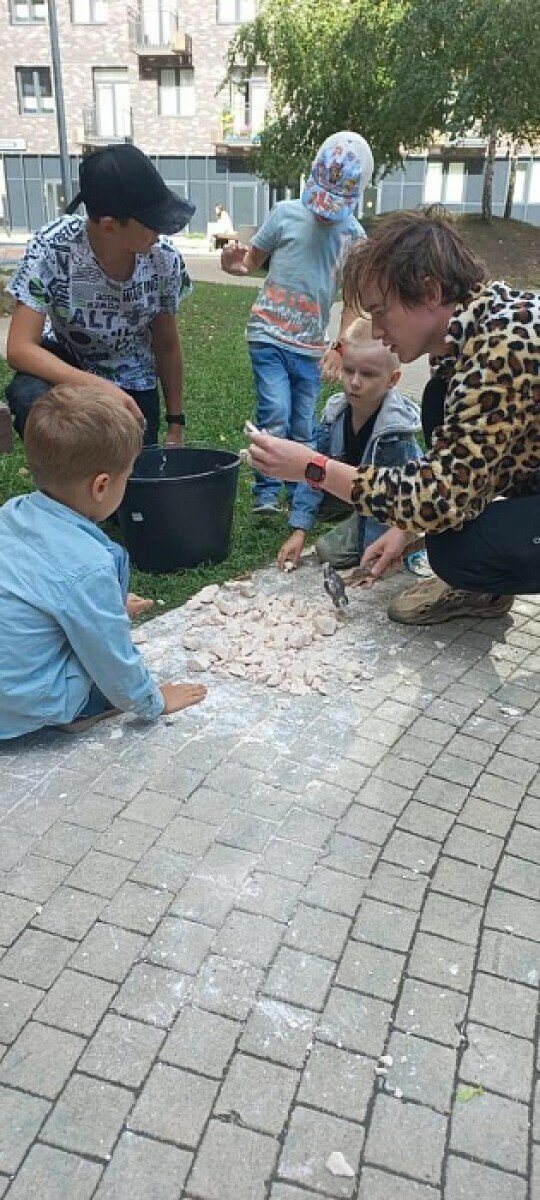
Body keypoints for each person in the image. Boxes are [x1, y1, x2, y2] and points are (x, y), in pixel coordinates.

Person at [245, 207, 540, 624]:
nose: (378, 330)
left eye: (381, 310)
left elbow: (441, 497)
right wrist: (404, 528)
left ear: (430, 292)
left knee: (455, 549)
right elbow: (469, 465)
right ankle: (488, 584)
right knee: (439, 401)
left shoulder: (502, 345)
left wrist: (314, 468)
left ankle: (483, 585)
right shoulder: (467, 336)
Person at [0, 386, 206, 740]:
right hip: (25, 703)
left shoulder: (12, 513)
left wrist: (109, 602)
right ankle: (80, 710)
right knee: (101, 667)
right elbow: (109, 655)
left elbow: (36, 592)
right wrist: (153, 701)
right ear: (101, 487)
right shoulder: (88, 566)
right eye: (127, 476)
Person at [221, 130, 374, 514]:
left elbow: (353, 303)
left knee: (304, 424)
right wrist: (233, 264)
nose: (323, 212)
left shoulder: (354, 237)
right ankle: (266, 494)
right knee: (275, 412)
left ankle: (300, 495)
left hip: (310, 346)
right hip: (268, 334)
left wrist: (339, 347)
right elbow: (249, 264)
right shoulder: (285, 213)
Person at [5, 143, 194, 448]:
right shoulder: (53, 247)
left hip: (133, 375)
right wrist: (99, 387)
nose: (160, 232)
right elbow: (19, 348)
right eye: (151, 223)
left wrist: (176, 423)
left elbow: (166, 344)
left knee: (130, 464)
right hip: (65, 364)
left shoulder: (163, 259)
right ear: (109, 226)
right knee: (32, 400)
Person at [277, 318, 425, 572]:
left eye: (368, 374)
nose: (354, 382)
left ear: (393, 379)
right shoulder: (334, 416)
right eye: (348, 370)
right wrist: (299, 530)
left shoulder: (397, 435)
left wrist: (373, 559)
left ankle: (412, 541)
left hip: (396, 507)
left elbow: (400, 499)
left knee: (368, 561)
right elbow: (314, 471)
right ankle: (356, 521)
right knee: (326, 550)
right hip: (358, 494)